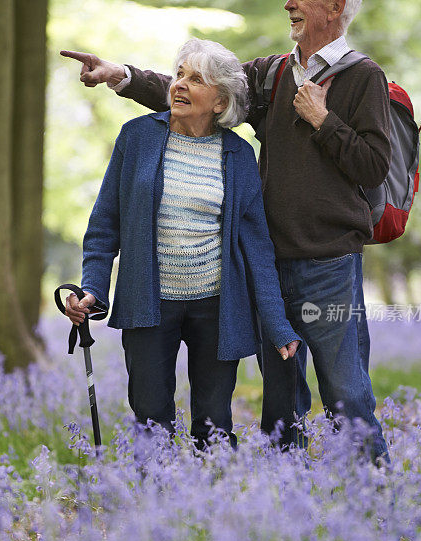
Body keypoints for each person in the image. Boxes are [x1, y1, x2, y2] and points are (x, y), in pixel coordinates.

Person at [61, 0, 391, 466]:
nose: (289, 4)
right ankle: (285, 489)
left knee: (345, 386)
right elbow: (204, 92)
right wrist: (122, 77)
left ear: (335, 6)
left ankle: (375, 493)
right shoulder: (275, 73)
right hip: (267, 263)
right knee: (281, 398)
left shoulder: (363, 76)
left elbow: (372, 166)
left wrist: (323, 120)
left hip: (328, 263)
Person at [64, 38, 300, 451]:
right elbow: (104, 227)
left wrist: (277, 325)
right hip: (148, 302)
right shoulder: (136, 138)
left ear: (221, 101)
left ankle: (212, 505)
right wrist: (93, 290)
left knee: (214, 422)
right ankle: (154, 506)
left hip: (217, 306)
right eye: (179, 75)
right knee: (151, 417)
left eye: (196, 79)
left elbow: (258, 249)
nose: (180, 85)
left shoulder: (239, 156)